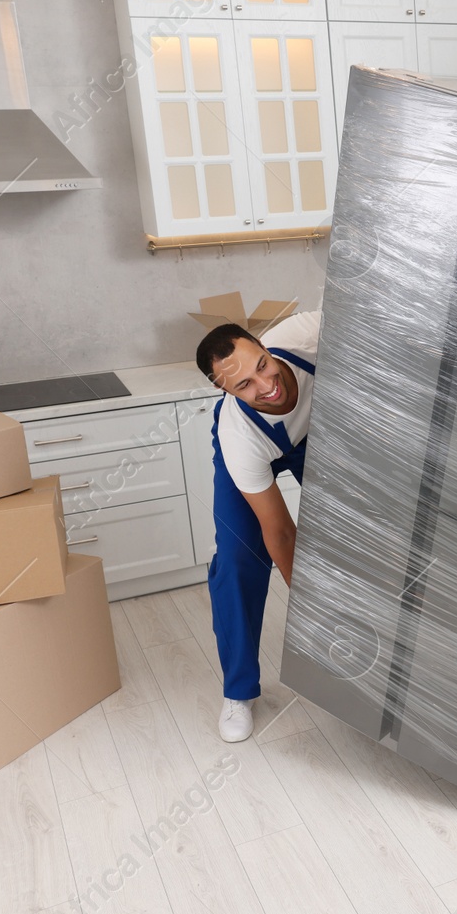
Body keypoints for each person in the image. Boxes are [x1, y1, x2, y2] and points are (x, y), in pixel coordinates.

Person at [194, 310, 320, 742]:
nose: (266, 385)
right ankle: (238, 691)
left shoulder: (308, 334)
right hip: (262, 445)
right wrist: (312, 618)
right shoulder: (238, 435)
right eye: (243, 384)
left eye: (261, 366)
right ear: (225, 391)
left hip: (320, 433)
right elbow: (281, 533)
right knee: (236, 562)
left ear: (265, 347)